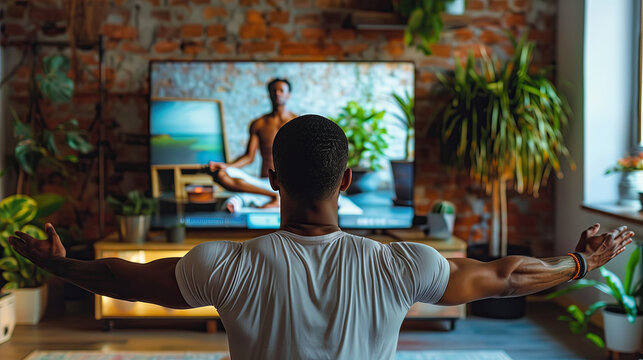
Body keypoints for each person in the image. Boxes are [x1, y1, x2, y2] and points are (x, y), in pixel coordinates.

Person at [9, 115, 634, 360]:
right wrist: (581, 262)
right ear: (349, 179)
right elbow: (506, 277)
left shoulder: (224, 264)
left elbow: (124, 279)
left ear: (272, 179)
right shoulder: (402, 263)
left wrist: (62, 267)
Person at [208, 78, 297, 212]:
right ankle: (273, 196)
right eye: (274, 91)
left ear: (288, 95)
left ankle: (244, 200)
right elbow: (249, 157)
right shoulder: (259, 124)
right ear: (269, 94)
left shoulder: (297, 122)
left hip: (291, 184)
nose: (278, 93)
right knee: (220, 174)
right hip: (263, 183)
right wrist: (227, 166)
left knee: (238, 199)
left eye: (281, 90)